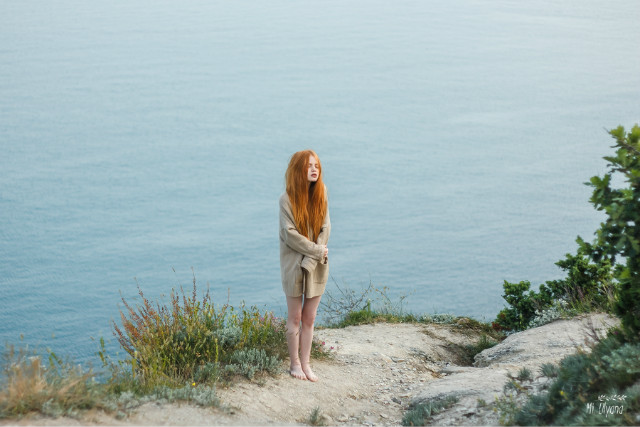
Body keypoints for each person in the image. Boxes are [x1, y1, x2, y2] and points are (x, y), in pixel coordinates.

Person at [279, 150, 331, 382]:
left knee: (309, 317)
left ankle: (307, 364)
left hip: (317, 265)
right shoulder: (286, 200)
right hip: (293, 267)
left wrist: (314, 256)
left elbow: (326, 228)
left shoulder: (322, 194)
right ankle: (295, 364)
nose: (313, 169)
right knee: (295, 317)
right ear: (298, 169)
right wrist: (317, 251)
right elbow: (290, 236)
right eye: (308, 166)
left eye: (316, 166)